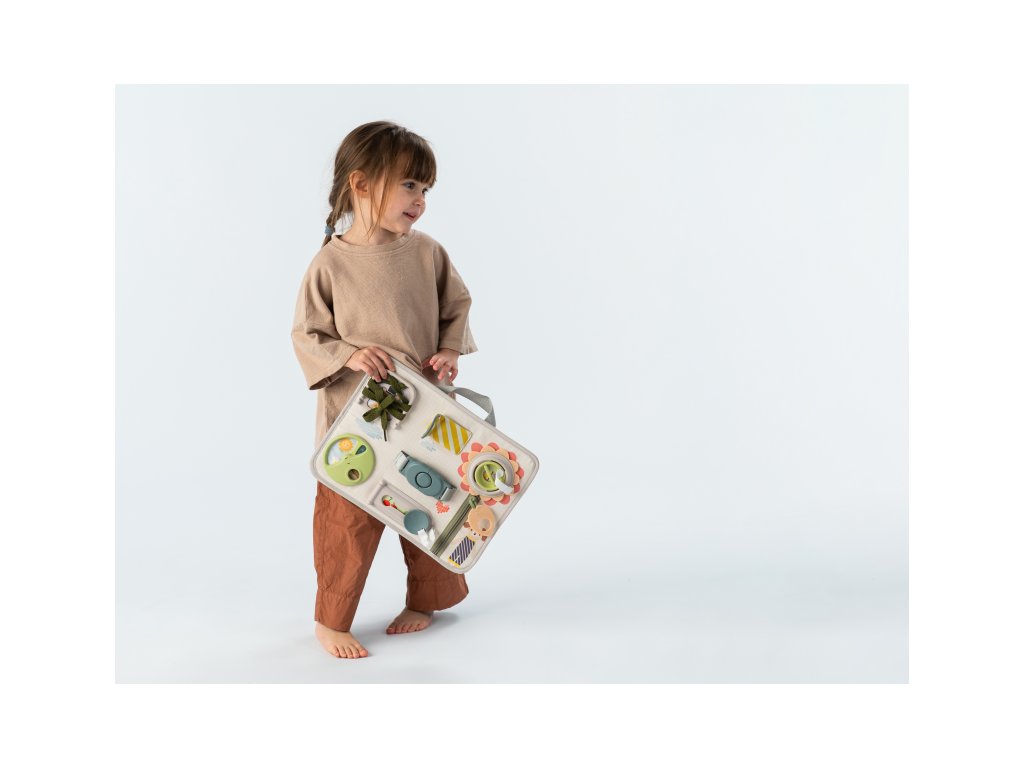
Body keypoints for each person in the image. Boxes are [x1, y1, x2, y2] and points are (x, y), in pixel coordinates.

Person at [291, 121, 478, 659]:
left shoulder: (427, 253)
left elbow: (456, 306)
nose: (420, 200)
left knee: (433, 502)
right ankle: (332, 619)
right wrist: (348, 355)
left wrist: (449, 350)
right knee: (346, 519)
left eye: (426, 188)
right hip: (356, 421)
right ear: (362, 184)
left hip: (426, 413)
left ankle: (428, 598)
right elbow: (307, 333)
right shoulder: (330, 263)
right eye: (409, 185)